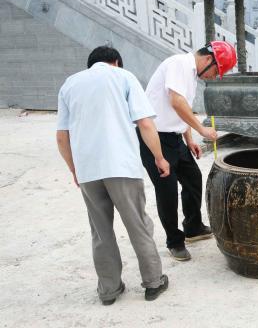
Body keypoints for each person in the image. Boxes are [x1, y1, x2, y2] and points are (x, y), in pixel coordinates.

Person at [56, 46, 170, 305]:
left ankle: (108, 290)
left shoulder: (70, 85)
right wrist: (159, 158)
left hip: (88, 170)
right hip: (121, 166)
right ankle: (153, 282)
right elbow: (145, 123)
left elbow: (62, 137)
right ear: (115, 61)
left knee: (100, 231)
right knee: (137, 224)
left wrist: (75, 169)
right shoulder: (124, 77)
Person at [138, 41, 237, 261]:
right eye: (216, 71)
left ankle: (192, 227)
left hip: (174, 137)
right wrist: (201, 128)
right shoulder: (179, 63)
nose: (213, 77)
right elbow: (176, 101)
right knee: (167, 190)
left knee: (193, 178)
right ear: (208, 59)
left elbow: (183, 110)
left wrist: (189, 138)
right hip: (154, 138)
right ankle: (174, 241)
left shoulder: (191, 75)